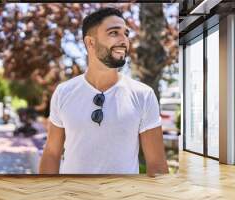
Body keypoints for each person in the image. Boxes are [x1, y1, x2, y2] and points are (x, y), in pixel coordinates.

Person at [39, 7, 168, 176]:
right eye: (114, 33)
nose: (124, 40)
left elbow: (157, 165)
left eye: (126, 34)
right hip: (72, 199)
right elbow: (52, 154)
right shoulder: (64, 93)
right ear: (90, 42)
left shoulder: (143, 95)